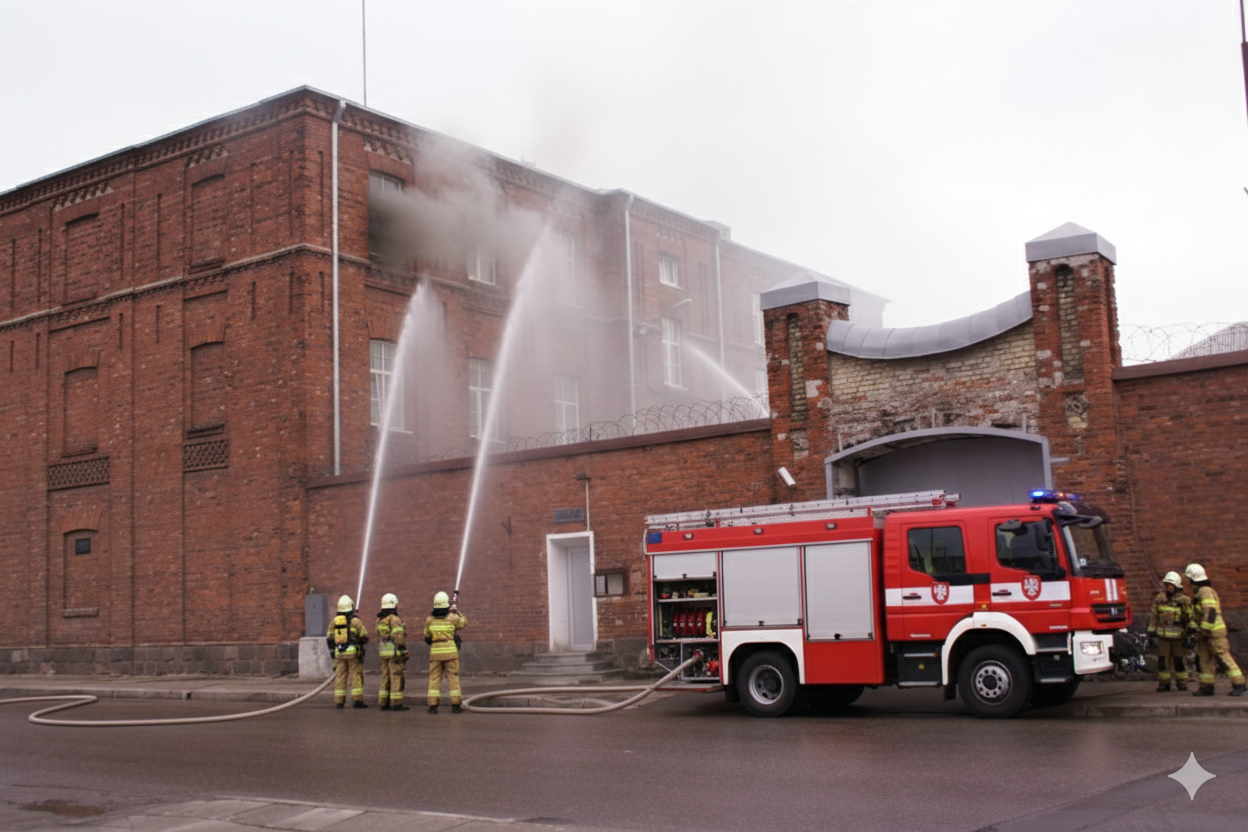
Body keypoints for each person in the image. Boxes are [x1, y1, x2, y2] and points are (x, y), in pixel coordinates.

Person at [1185, 563, 1247, 697]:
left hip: (1214, 633)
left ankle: (1239, 684)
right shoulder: (1200, 593)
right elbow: (1199, 615)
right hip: (1205, 634)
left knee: (1223, 657)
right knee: (1204, 659)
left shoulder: (1205, 591)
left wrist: (1204, 630)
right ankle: (1207, 686)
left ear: (1192, 579)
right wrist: (1194, 628)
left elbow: (1210, 612)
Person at [424, 591, 468, 714]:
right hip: (450, 653)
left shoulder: (430, 620)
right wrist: (457, 612)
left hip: (435, 654)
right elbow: (463, 623)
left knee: (434, 678)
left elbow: (427, 635)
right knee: (453, 678)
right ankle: (455, 706)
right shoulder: (453, 618)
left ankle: (432, 706)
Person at [1147, 571, 1191, 692]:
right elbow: (1154, 615)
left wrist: (1190, 631)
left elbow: (1189, 616)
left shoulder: (1184, 600)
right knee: (1163, 660)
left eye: (1170, 585)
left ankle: (1182, 683)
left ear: (1176, 586)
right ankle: (1164, 683)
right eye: (1166, 585)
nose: (1168, 587)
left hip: (1178, 635)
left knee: (1179, 659)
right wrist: (1151, 630)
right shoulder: (1159, 599)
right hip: (1163, 635)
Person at [326, 594, 369, 708]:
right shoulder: (355, 621)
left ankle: (339, 701)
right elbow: (364, 635)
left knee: (340, 676)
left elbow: (329, 638)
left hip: (339, 653)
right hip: (353, 653)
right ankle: (357, 700)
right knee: (355, 676)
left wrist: (332, 652)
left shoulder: (334, 622)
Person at [376, 592, 409, 711]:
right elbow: (399, 638)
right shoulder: (395, 620)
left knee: (385, 677)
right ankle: (396, 703)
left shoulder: (380, 620)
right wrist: (404, 650)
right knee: (396, 677)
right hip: (394, 653)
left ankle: (383, 703)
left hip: (383, 653)